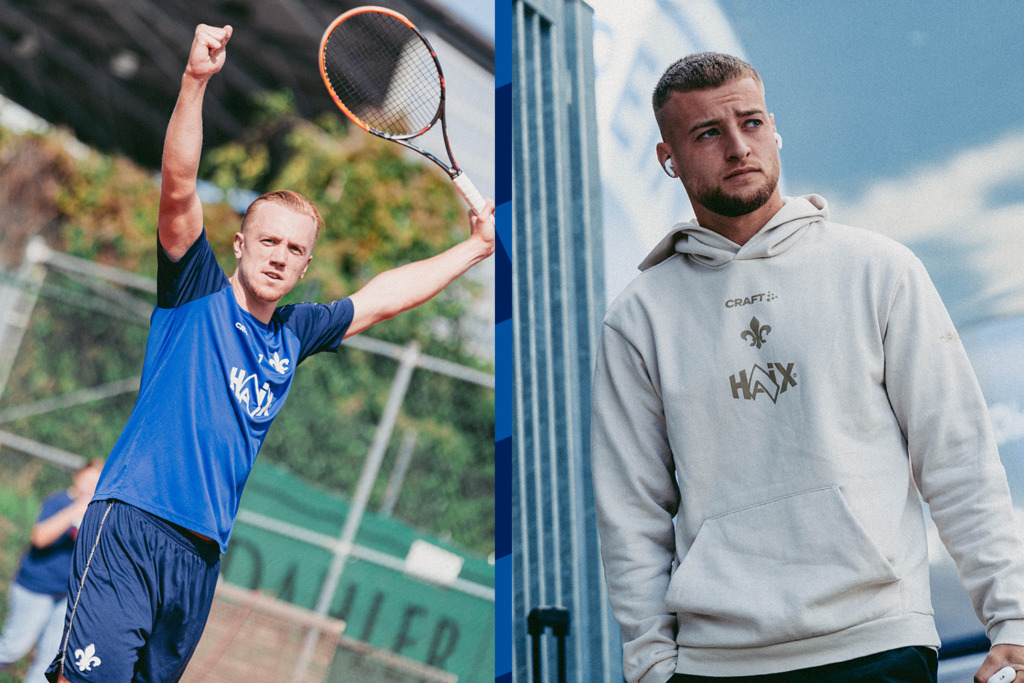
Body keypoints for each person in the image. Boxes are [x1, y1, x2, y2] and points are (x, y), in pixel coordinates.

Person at [45, 24, 494, 683]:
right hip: (133, 524)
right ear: (239, 243)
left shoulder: (295, 332)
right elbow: (177, 187)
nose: (279, 254)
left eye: (294, 249)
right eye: (269, 241)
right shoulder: (195, 293)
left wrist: (476, 248)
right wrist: (195, 82)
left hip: (199, 558)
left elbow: (382, 298)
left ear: (306, 265)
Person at [589, 52, 1024, 683]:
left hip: (880, 644)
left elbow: (957, 458)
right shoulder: (638, 318)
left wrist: (1012, 620)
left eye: (752, 123)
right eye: (708, 133)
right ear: (669, 159)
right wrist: (652, 665)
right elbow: (631, 512)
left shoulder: (878, 270)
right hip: (717, 665)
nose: (738, 147)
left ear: (775, 130)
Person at [0, 460, 101, 683]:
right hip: (35, 588)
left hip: (66, 596)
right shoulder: (59, 501)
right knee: (14, 648)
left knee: (49, 660)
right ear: (78, 476)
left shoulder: (96, 514)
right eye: (88, 478)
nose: (91, 485)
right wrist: (76, 509)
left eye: (97, 481)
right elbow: (39, 537)